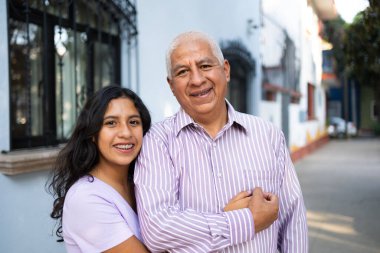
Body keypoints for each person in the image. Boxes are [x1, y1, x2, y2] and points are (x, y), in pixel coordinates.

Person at [134, 31, 308, 252]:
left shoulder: (267, 134)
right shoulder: (157, 143)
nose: (196, 80)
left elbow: (292, 219)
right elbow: (157, 231)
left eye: (205, 66)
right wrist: (247, 221)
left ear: (225, 70)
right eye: (183, 71)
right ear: (171, 85)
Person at [48, 85, 151, 253]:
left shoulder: (141, 184)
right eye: (111, 123)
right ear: (92, 134)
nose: (126, 133)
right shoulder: (86, 198)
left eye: (133, 122)